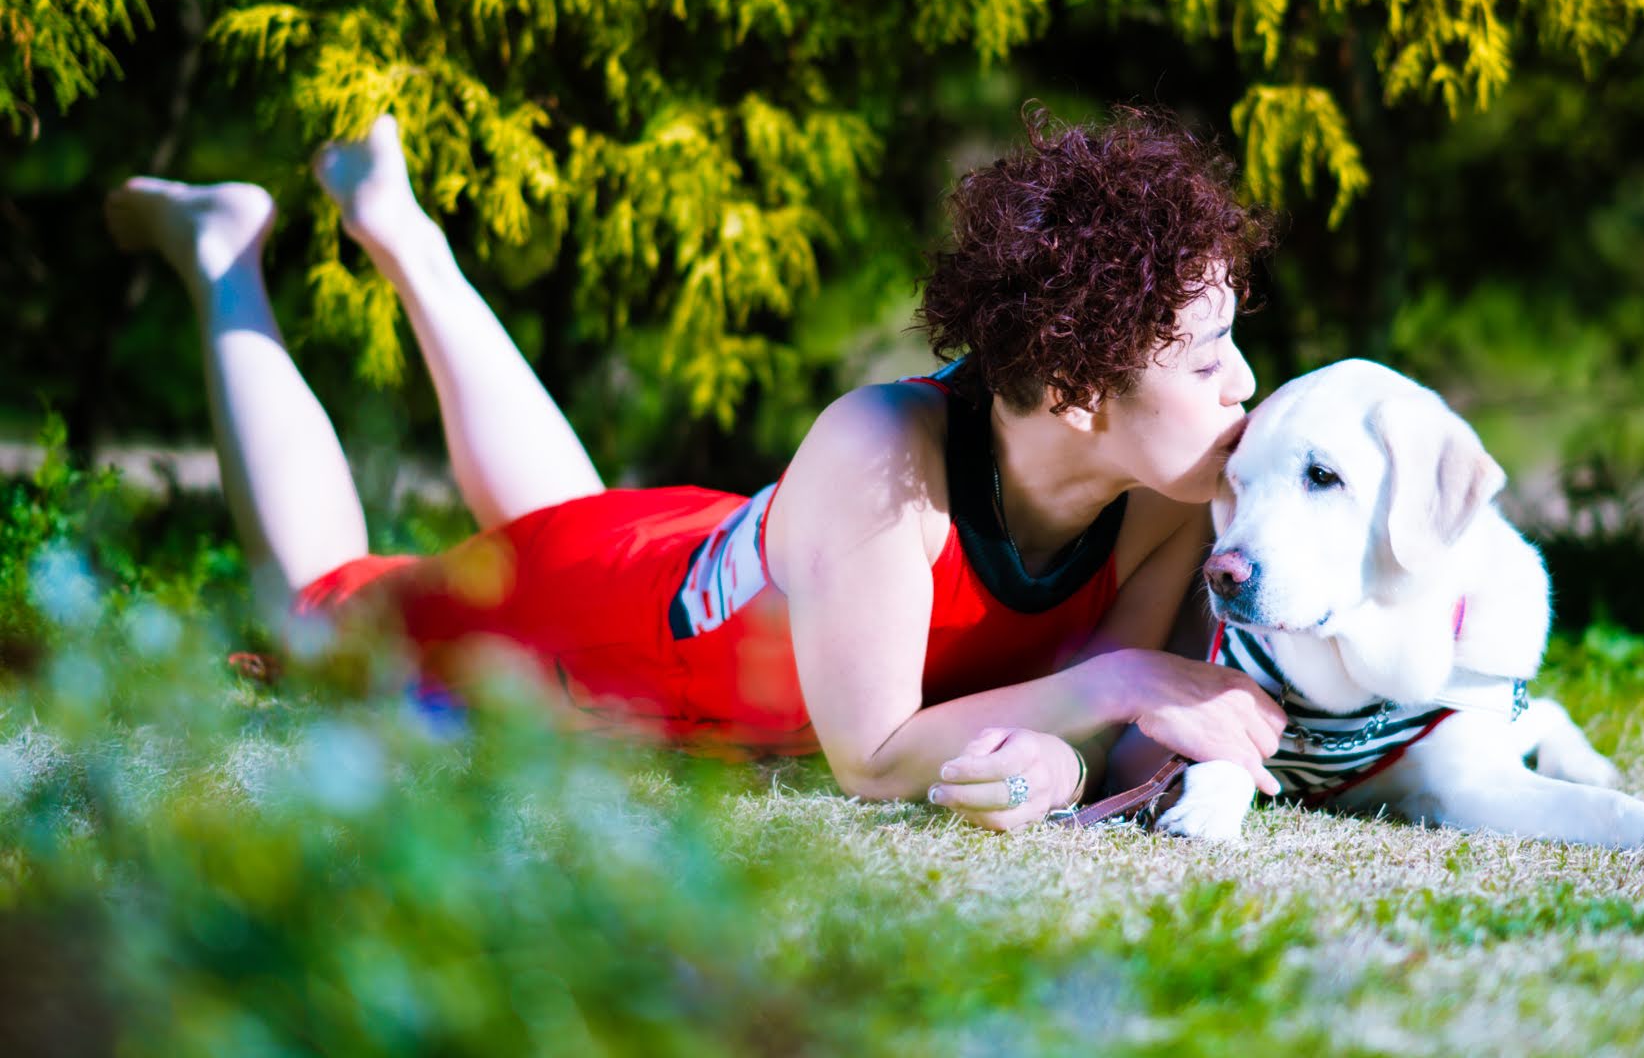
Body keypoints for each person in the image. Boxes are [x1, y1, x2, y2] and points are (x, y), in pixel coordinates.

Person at [105, 107, 1286, 831]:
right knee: (323, 603)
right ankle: (223, 255)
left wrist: (1078, 742)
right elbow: (874, 756)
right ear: (1078, 393)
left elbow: (1091, 710)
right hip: (604, 628)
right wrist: (1126, 681)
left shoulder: (1167, 502)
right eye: (1206, 356)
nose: (1244, 383)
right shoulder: (888, 455)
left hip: (708, 553)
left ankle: (405, 237)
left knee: (576, 516)